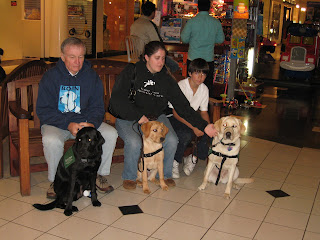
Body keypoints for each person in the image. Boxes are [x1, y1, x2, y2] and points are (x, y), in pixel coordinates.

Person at [109, 41, 218, 190]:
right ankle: (129, 177)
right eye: (157, 58)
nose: (161, 62)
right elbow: (118, 98)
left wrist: (204, 126)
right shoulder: (132, 71)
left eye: (163, 58)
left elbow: (183, 107)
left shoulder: (166, 79)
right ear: (146, 57)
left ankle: (165, 175)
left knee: (172, 139)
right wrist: (138, 115)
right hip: (129, 116)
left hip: (154, 117)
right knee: (134, 142)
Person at [36, 37, 118, 199]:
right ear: (62, 56)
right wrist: (68, 124)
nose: (77, 62)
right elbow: (43, 110)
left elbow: (98, 107)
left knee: (110, 134)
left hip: (85, 123)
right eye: (72, 57)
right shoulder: (50, 77)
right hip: (57, 123)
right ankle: (56, 180)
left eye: (81, 57)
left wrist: (91, 124)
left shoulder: (91, 77)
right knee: (51, 140)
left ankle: (98, 175)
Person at [169, 58, 211, 178]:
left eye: (203, 73)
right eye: (197, 73)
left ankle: (193, 158)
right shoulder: (181, 86)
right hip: (176, 117)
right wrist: (193, 127)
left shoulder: (204, 89)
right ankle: (175, 162)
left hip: (193, 118)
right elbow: (175, 112)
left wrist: (207, 127)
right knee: (185, 134)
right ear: (190, 73)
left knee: (206, 133)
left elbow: (203, 112)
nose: (200, 77)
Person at [181, 0, 225, 97]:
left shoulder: (192, 22)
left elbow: (184, 39)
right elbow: (221, 39)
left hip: (193, 58)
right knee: (207, 88)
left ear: (198, 8)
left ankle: (191, 109)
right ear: (210, 8)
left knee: (191, 87)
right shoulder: (215, 22)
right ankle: (205, 109)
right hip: (208, 59)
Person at [130, 0, 179, 73]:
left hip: (134, 55)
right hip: (148, 55)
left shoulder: (134, 24)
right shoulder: (149, 25)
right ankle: (162, 78)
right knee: (174, 65)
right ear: (153, 12)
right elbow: (157, 44)